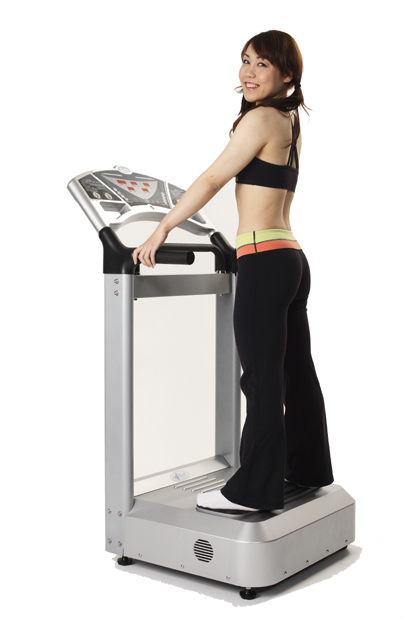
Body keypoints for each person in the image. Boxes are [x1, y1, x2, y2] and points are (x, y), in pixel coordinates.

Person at [133, 30, 334, 515]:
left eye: (262, 64)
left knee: (262, 379)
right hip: (291, 258)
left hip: (264, 260)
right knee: (295, 371)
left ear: (287, 74)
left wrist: (162, 229)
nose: (248, 71)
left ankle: (251, 492)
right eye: (245, 60)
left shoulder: (260, 117)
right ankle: (307, 468)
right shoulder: (288, 120)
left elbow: (212, 179)